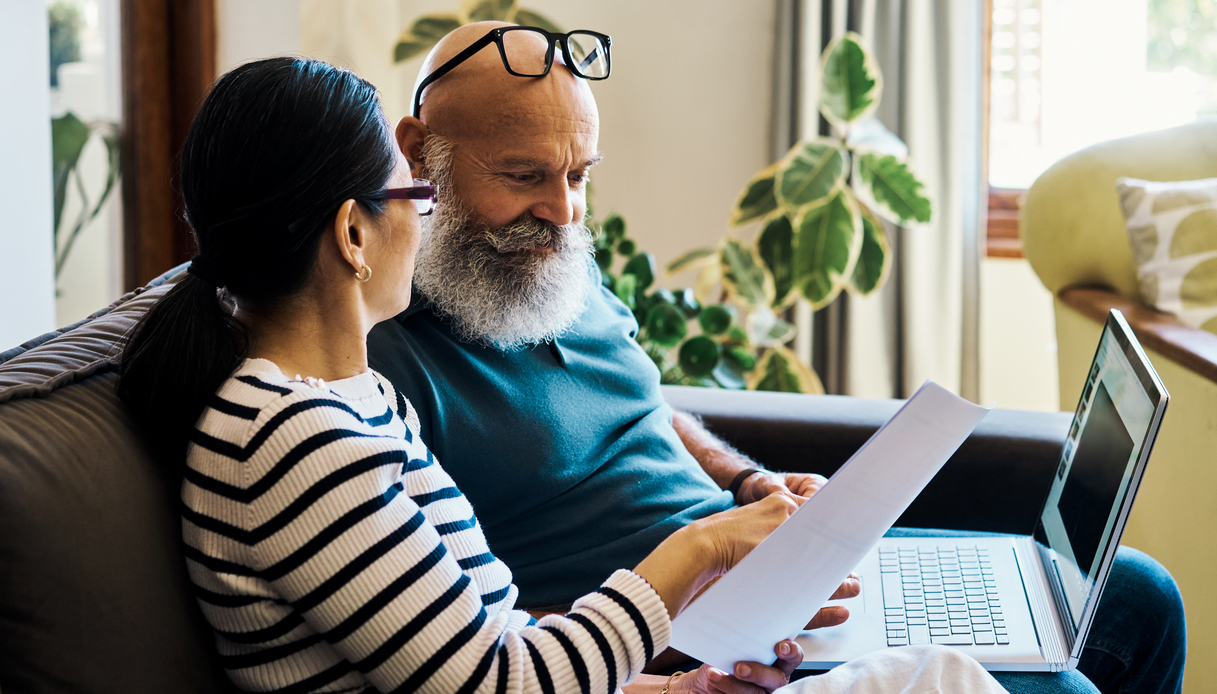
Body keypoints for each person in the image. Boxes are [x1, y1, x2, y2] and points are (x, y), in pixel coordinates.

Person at [115, 56, 1007, 694]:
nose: (425, 220)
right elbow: (499, 681)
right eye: (412, 195)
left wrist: (680, 691)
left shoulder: (345, 406)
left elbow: (482, 642)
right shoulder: (292, 444)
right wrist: (706, 546)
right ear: (353, 234)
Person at [368, 21, 1187, 694]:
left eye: (579, 174)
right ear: (418, 149)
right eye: (522, 175)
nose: (562, 210)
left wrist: (749, 483)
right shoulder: (382, 355)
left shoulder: (551, 259)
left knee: (1142, 595)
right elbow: (466, 636)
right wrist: (676, 625)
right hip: (682, 641)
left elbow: (645, 406)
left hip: (764, 569)